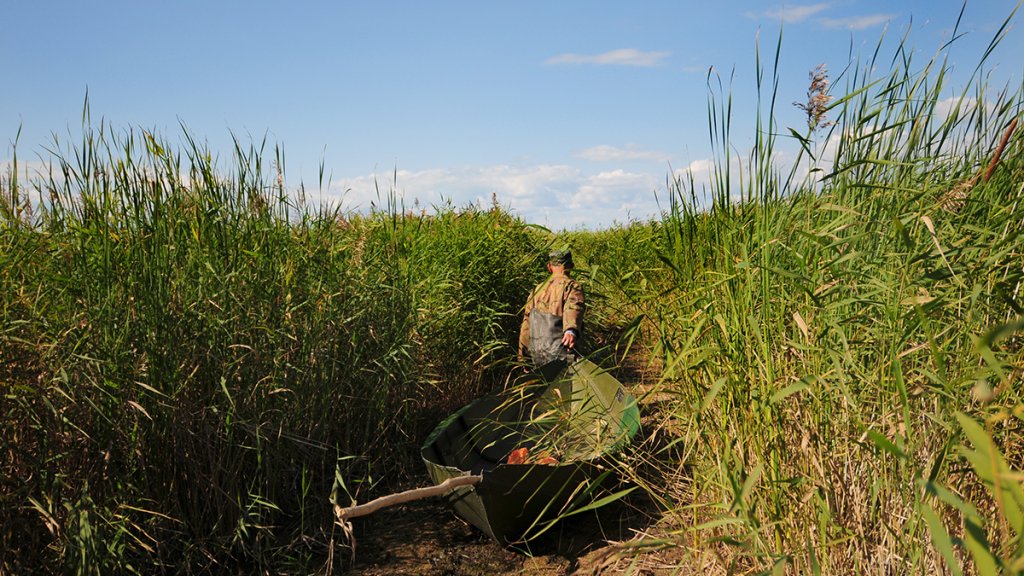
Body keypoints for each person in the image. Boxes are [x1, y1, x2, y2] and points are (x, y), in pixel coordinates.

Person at [518, 248, 585, 367]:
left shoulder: (536, 290)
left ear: (549, 266)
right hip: (563, 355)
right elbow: (574, 307)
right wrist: (571, 330)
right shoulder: (572, 286)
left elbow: (526, 326)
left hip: (538, 356)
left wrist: (523, 359)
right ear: (571, 266)